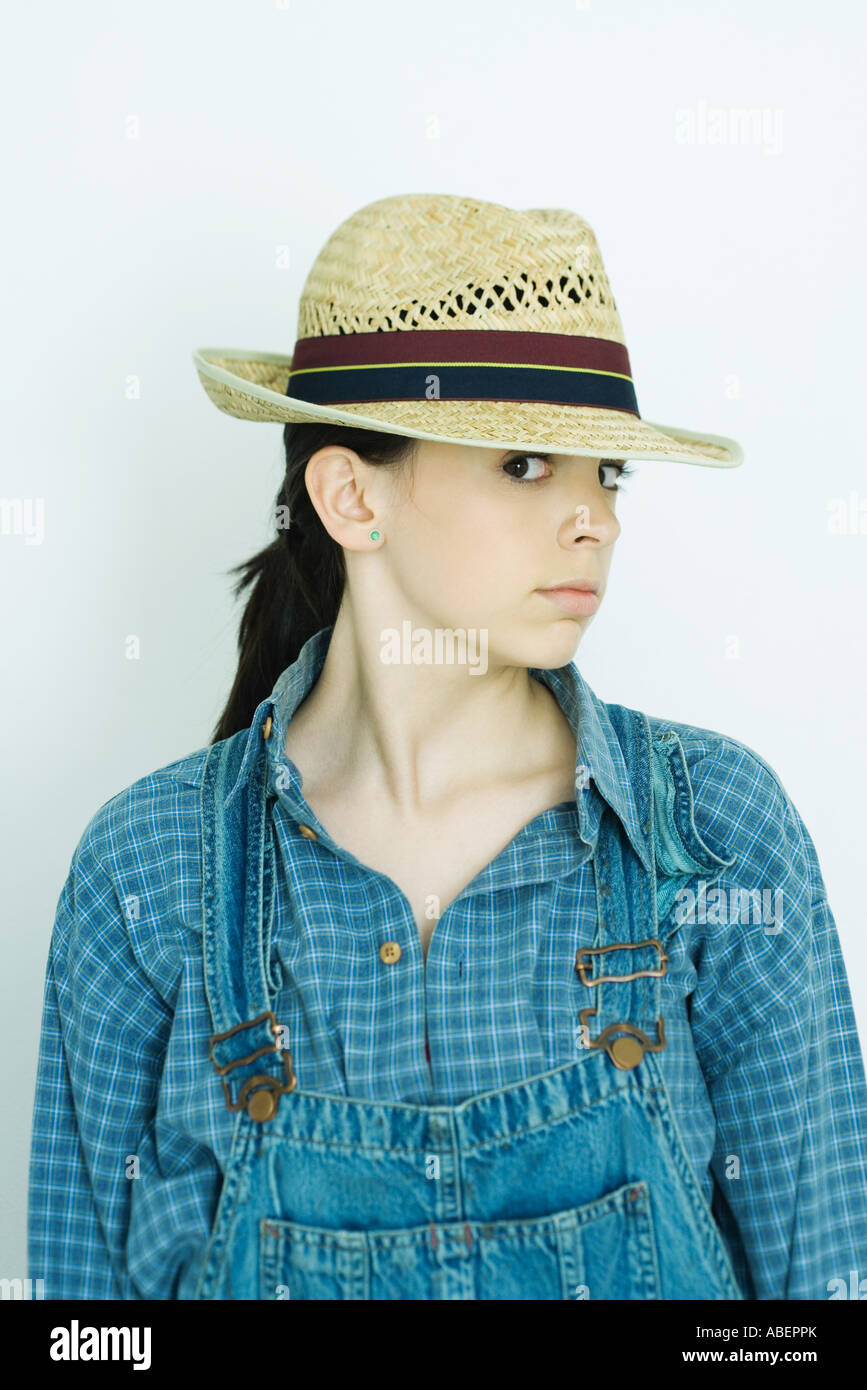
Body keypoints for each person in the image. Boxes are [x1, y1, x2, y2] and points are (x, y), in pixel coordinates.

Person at [28, 192, 867, 1300]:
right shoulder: (144, 873)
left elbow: (824, 1297)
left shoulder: (712, 834)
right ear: (349, 496)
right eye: (525, 464)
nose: (596, 520)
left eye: (606, 473)